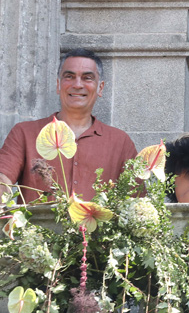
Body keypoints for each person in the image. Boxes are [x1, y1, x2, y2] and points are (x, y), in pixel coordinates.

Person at [0, 49, 137, 202]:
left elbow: (136, 201)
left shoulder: (120, 142)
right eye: (69, 77)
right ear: (58, 85)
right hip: (39, 225)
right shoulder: (25, 133)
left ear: (100, 88)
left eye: (87, 78)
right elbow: (3, 179)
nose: (78, 85)